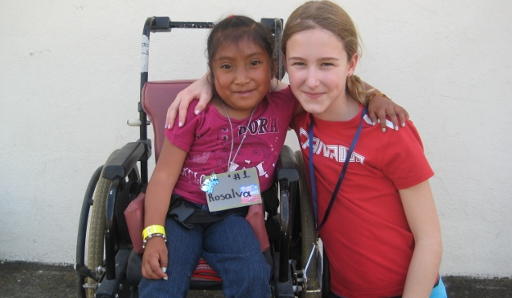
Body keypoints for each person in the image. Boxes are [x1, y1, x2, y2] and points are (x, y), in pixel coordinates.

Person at [165, 1, 447, 298]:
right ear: (284, 63)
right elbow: (247, 83)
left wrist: (375, 94)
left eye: (326, 64)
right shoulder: (300, 112)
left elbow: (429, 239)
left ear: (351, 63)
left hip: (406, 290)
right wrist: (206, 81)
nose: (312, 81)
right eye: (299, 64)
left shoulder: (389, 130)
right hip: (339, 287)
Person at [139, 15, 300, 298]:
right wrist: (153, 235)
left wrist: (374, 97)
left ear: (273, 66)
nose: (242, 78)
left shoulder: (283, 104)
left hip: (233, 214)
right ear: (211, 73)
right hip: (183, 212)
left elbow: (329, 97)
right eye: (227, 66)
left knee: (253, 273)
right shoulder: (194, 111)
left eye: (254, 63)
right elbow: (163, 176)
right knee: (162, 278)